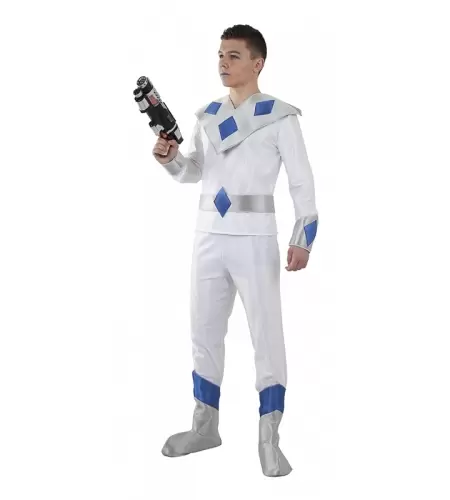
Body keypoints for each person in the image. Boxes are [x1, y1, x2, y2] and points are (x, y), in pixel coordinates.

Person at [152, 24, 318, 477]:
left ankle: (269, 436)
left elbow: (302, 182)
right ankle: (204, 426)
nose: (223, 63)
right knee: (203, 331)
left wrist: (302, 237)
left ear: (257, 63)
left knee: (266, 335)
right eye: (220, 55)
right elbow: (194, 171)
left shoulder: (280, 117)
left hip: (255, 239)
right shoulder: (207, 115)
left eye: (234, 55)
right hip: (208, 236)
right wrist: (170, 159)